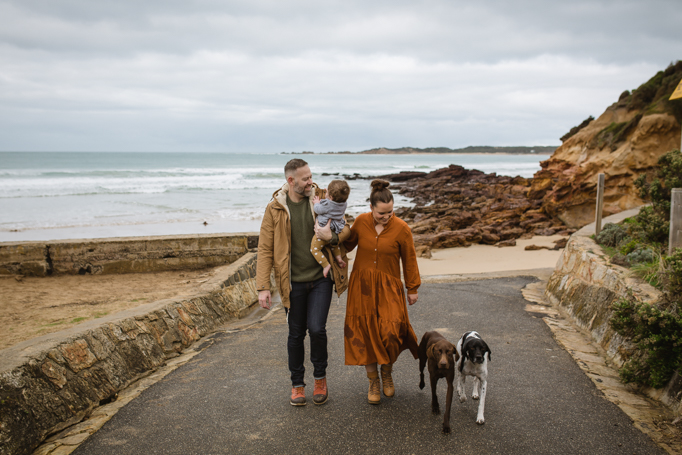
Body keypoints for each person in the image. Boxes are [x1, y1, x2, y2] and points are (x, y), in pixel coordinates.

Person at [315, 179, 420, 405]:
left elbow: (409, 260)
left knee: (391, 333)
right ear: (371, 208)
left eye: (390, 212)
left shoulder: (402, 229)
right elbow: (346, 243)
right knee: (365, 335)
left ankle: (387, 372)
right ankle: (373, 381)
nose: (387, 216)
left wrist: (412, 288)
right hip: (361, 288)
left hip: (389, 289)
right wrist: (331, 247)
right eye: (382, 213)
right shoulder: (361, 222)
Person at [256, 159, 349, 407]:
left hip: (321, 279)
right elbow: (265, 249)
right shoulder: (275, 208)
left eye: (310, 176)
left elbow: (346, 227)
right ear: (291, 181)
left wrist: (334, 236)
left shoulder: (321, 197)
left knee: (317, 329)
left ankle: (320, 378)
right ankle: (297, 384)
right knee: (295, 334)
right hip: (292, 283)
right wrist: (263, 286)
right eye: (305, 178)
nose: (311, 181)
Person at [310, 179, 351, 278]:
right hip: (335, 230)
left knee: (314, 249)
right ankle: (339, 259)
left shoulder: (328, 205)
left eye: (327, 191)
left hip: (323, 230)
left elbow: (318, 210)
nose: (325, 191)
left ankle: (326, 265)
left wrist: (316, 202)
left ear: (331, 197)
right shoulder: (344, 204)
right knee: (334, 245)